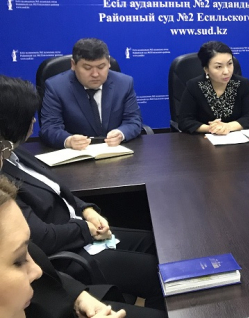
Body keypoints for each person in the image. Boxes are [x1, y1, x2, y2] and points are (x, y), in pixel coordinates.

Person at [0, 75, 164, 311]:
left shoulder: (15, 152)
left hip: (80, 229)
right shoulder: (3, 176)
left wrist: (87, 210)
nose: (34, 122)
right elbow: (41, 238)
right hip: (67, 252)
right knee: (157, 273)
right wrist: (85, 229)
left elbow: (58, 190)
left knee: (156, 243)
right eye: (29, 117)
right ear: (11, 123)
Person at [0, 173, 163, 318]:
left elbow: (44, 267)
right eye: (18, 261)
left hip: (61, 299)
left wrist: (77, 296)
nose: (38, 271)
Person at [40, 38, 143, 150]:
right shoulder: (56, 87)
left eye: (101, 67)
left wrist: (121, 133)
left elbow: (133, 120)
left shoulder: (124, 83)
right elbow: (50, 127)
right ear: (73, 64)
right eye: (87, 68)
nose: (95, 74)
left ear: (108, 62)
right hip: (77, 154)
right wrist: (69, 140)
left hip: (115, 152)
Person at [177, 41, 249, 134]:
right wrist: (212, 128)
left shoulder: (243, 84)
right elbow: (184, 121)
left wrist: (227, 127)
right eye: (219, 67)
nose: (226, 71)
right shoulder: (194, 86)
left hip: (237, 139)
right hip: (203, 139)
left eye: (230, 64)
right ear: (206, 69)